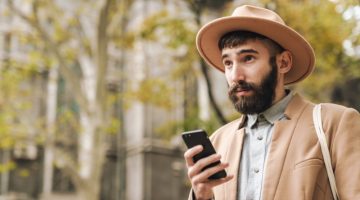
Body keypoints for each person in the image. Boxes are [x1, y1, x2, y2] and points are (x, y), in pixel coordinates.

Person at [183, 5, 360, 200]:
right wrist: (201, 196)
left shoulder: (335, 124)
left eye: (248, 58)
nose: (235, 76)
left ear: (283, 62)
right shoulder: (218, 142)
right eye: (228, 63)